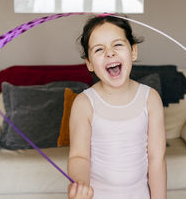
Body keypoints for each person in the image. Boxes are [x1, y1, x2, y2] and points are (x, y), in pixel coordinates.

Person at [67, 15, 167, 199]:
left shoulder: (150, 98)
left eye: (118, 45)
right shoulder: (84, 103)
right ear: (89, 63)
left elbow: (156, 160)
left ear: (133, 51)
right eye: (99, 49)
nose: (110, 53)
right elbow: (79, 157)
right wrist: (80, 184)